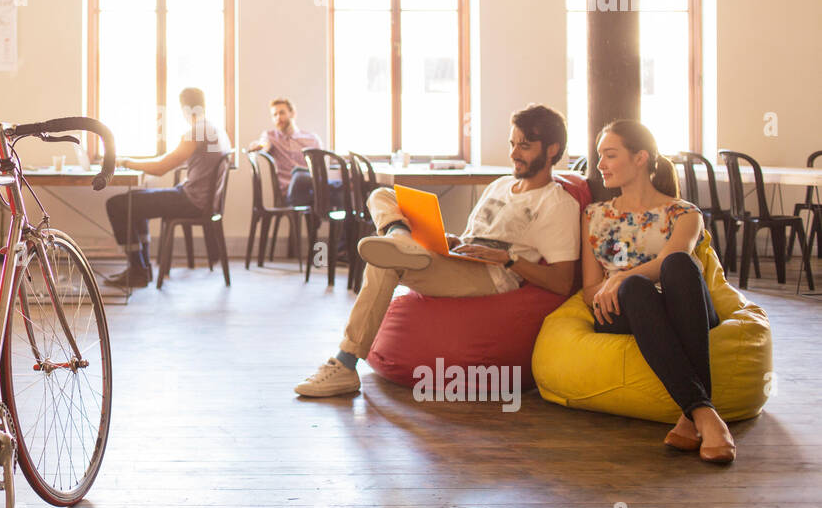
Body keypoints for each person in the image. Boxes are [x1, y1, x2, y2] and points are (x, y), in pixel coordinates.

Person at [295, 104, 581, 397]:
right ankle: (400, 235)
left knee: (385, 262)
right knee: (381, 194)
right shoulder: (500, 185)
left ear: (551, 149)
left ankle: (345, 364)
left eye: (525, 146)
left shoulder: (556, 204)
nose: (514, 153)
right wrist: (454, 241)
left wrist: (509, 260)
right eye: (512, 143)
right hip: (461, 256)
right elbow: (478, 235)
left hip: (491, 275)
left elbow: (562, 282)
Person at [583, 119, 736, 463]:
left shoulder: (684, 213)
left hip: (687, 306)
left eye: (610, 155)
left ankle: (693, 416)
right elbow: (589, 288)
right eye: (599, 156)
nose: (600, 165)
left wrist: (619, 276)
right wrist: (613, 287)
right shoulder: (595, 216)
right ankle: (706, 415)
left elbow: (671, 258)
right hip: (624, 310)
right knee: (636, 287)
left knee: (679, 265)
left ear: (640, 158)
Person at [104, 87, 232, 289]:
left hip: (191, 201)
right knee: (135, 202)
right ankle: (141, 268)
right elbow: (170, 161)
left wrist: (126, 162)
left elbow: (161, 167)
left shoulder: (198, 131)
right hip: (201, 200)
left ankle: (138, 269)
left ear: (183, 109)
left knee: (117, 204)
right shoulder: (216, 130)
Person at [245, 98, 323, 206]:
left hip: (312, 189)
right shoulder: (270, 136)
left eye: (281, 113)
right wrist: (258, 145)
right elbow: (263, 145)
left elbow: (320, 168)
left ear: (292, 114)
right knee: (299, 176)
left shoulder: (312, 138)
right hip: (289, 190)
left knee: (333, 190)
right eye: (274, 115)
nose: (278, 118)